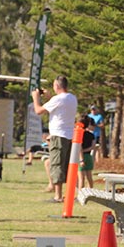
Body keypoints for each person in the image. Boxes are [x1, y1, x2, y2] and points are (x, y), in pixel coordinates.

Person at [31, 75, 78, 204]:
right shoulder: (72, 98)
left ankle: (58, 195)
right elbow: (59, 106)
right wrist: (49, 97)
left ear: (57, 86)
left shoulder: (57, 99)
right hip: (69, 135)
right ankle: (70, 194)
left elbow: (38, 110)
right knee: (67, 165)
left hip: (58, 135)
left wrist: (36, 98)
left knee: (56, 164)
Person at [78, 115, 95, 189]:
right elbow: (93, 147)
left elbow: (79, 147)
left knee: (81, 178)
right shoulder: (92, 135)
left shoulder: (79, 134)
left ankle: (80, 194)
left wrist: (81, 159)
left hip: (80, 157)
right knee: (89, 177)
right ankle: (90, 191)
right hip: (89, 157)